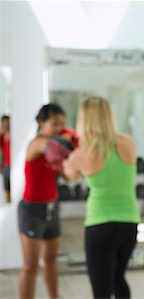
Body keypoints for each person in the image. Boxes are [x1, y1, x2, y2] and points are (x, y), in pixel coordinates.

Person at [62, 96, 140, 299]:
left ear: (84, 120)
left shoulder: (81, 154)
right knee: (119, 279)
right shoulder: (128, 142)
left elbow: (69, 176)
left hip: (100, 224)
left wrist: (67, 158)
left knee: (101, 291)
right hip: (129, 223)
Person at [18, 103, 68, 299]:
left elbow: (69, 176)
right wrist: (70, 140)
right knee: (30, 265)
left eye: (62, 123)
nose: (59, 127)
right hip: (32, 211)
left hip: (52, 208)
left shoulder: (58, 143)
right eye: (54, 123)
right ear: (40, 123)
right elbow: (50, 146)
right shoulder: (37, 143)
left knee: (50, 260)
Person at [0, 115, 11, 203]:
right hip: (6, 166)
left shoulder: (13, 135)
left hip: (13, 165)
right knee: (7, 190)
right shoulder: (2, 136)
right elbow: (1, 151)